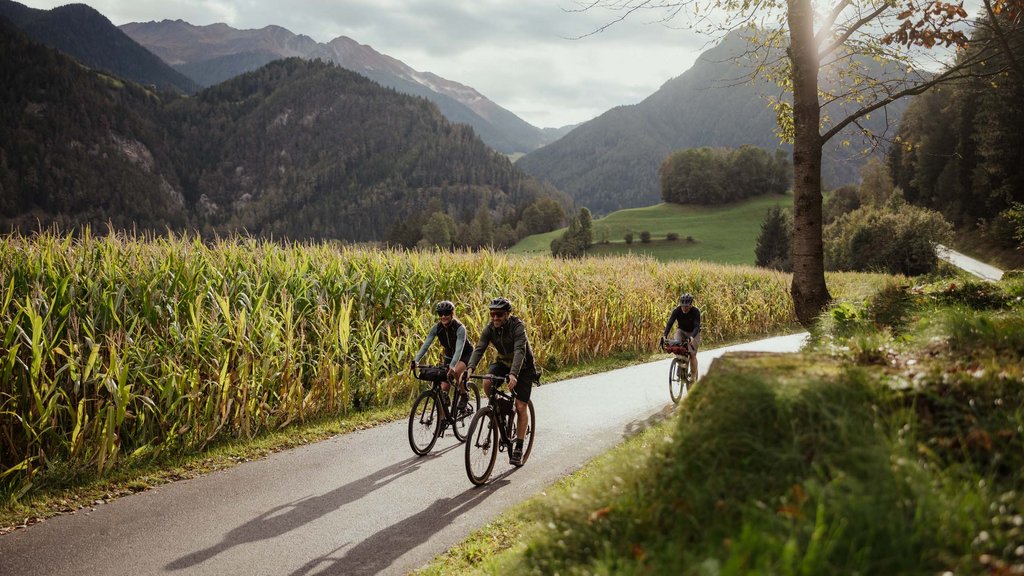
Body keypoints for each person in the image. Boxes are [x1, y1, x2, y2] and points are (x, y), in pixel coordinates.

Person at [466, 297, 537, 465]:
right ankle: (499, 410)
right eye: (492, 314)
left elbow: (520, 351)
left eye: (499, 314)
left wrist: (513, 375)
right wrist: (470, 369)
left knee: (520, 406)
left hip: (523, 367)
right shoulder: (490, 328)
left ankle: (518, 447)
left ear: (507, 314)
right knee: (487, 382)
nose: (495, 318)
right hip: (503, 363)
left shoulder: (517, 327)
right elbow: (479, 348)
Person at [411, 300, 472, 411]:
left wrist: (453, 365)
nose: (443, 316)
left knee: (457, 372)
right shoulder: (436, 328)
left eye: (446, 313)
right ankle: (443, 421)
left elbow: (459, 349)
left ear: (452, 314)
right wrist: (416, 360)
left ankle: (464, 394)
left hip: (464, 354)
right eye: (440, 314)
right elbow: (426, 345)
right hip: (449, 355)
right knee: (443, 389)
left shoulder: (460, 328)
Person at [662, 292, 701, 381]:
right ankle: (681, 370)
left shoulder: (696, 311)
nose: (684, 308)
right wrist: (665, 334)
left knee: (692, 354)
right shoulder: (677, 310)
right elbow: (670, 323)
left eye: (686, 306)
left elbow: (696, 326)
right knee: (677, 348)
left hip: (693, 333)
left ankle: (693, 375)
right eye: (682, 306)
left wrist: (692, 337)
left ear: (691, 305)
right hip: (681, 331)